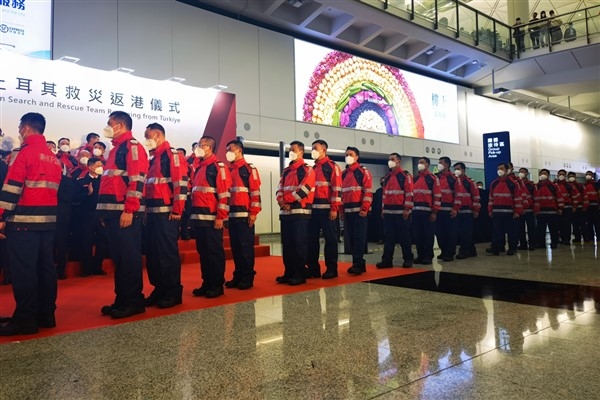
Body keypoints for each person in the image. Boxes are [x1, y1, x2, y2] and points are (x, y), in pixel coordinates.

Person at [0, 112, 62, 336]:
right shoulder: (52, 157)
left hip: (23, 221)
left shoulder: (24, 153)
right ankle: (46, 315)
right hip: (46, 223)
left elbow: (12, 188)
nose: (18, 132)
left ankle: (25, 319)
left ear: (26, 128)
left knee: (24, 271)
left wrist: (1, 216)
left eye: (19, 128)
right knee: (45, 269)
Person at [97, 111, 149, 319]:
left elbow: (136, 181)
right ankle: (122, 299)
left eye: (110, 123)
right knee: (120, 259)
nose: (108, 126)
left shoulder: (132, 147)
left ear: (119, 125)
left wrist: (129, 210)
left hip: (125, 213)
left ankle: (134, 301)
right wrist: (103, 212)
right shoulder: (116, 149)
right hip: (112, 213)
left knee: (129, 258)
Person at [143, 123, 188, 308]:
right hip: (152, 213)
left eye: (148, 135)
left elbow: (180, 183)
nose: (146, 139)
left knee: (167, 254)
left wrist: (178, 209)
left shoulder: (173, 155)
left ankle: (173, 291)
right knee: (153, 254)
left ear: (158, 135)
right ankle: (159, 289)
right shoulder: (154, 158)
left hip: (167, 213)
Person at [190, 136, 231, 299]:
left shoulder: (218, 167)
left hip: (213, 218)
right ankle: (206, 283)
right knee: (203, 252)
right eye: (199, 144)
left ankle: (216, 285)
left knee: (214, 252)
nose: (199, 147)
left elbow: (224, 194)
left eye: (203, 145)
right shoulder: (199, 167)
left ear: (210, 148)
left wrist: (221, 217)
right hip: (199, 218)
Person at [275, 141, 315, 286]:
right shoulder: (286, 171)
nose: (290, 152)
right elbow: (279, 188)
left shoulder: (308, 170)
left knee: (299, 244)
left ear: (301, 152)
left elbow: (304, 190)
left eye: (293, 150)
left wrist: (286, 200)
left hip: (300, 212)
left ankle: (300, 273)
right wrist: (281, 201)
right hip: (286, 213)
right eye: (290, 149)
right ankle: (289, 272)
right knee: (287, 245)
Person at [224, 139, 262, 290]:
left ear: (239, 150)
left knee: (245, 248)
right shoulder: (228, 169)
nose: (228, 152)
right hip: (232, 215)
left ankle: (247, 277)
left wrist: (253, 213)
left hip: (245, 215)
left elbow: (255, 193)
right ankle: (238, 275)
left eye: (230, 149)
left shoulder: (249, 169)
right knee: (236, 248)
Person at [306, 139, 342, 279]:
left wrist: (334, 209)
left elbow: (337, 189)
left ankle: (332, 269)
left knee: (330, 240)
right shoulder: (313, 168)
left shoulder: (332, 167)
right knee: (311, 240)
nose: (313, 150)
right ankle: (313, 269)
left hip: (327, 210)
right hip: (313, 210)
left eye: (315, 147)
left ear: (324, 150)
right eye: (312, 148)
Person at [376, 153, 414, 268]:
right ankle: (387, 261)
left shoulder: (405, 175)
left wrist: (407, 209)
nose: (390, 161)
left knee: (404, 238)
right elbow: (384, 195)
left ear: (398, 161)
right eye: (389, 159)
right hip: (388, 213)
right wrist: (383, 209)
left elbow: (409, 193)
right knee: (388, 238)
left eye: (392, 159)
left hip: (401, 213)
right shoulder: (387, 177)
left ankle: (408, 259)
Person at [341, 146, 372, 275]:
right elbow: (341, 194)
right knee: (352, 239)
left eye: (351, 154)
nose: (348, 156)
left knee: (359, 239)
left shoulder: (363, 172)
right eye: (346, 154)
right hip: (348, 212)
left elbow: (368, 192)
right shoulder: (343, 174)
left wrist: (364, 209)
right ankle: (357, 264)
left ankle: (358, 263)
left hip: (359, 211)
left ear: (356, 157)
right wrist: (341, 211)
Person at [74, 157, 108, 277]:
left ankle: (97, 266)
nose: (101, 167)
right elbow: (76, 199)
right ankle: (86, 269)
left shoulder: (105, 181)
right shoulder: (81, 181)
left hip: (101, 216)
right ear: (90, 167)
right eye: (98, 165)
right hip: (86, 216)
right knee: (85, 242)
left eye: (101, 165)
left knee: (102, 241)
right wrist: (88, 193)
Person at [486, 163, 523, 255]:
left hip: (510, 212)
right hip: (496, 212)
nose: (500, 170)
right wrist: (490, 210)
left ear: (507, 171)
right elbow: (491, 198)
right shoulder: (494, 183)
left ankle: (512, 248)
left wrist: (517, 212)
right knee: (497, 231)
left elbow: (518, 198)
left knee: (511, 232)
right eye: (498, 168)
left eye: (502, 168)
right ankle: (496, 248)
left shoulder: (513, 184)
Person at [412, 157, 441, 265]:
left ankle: (428, 256)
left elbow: (437, 196)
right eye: (419, 162)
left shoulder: (433, 178)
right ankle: (420, 255)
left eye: (422, 162)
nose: (419, 164)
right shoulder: (415, 178)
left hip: (428, 212)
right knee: (418, 235)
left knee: (428, 235)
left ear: (427, 164)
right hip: (415, 211)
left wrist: (434, 212)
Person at [435, 156, 463, 262]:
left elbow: (458, 195)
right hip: (438, 210)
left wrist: (455, 209)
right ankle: (443, 251)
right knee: (439, 233)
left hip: (449, 210)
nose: (439, 164)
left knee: (450, 233)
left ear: (446, 164)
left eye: (441, 162)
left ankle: (450, 253)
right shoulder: (436, 177)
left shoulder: (454, 178)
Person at [453, 162, 480, 259]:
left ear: (463, 170)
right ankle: (472, 250)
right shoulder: (454, 181)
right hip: (457, 210)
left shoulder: (470, 182)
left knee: (466, 232)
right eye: (455, 168)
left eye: (458, 168)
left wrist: (476, 210)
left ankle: (463, 251)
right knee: (461, 232)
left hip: (467, 211)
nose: (456, 170)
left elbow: (476, 197)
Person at [534, 169, 563, 248]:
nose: (542, 175)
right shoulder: (536, 186)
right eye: (541, 173)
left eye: (544, 173)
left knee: (553, 229)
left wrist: (560, 208)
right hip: (540, 212)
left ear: (548, 175)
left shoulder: (553, 186)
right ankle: (541, 243)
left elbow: (559, 197)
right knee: (540, 230)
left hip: (552, 212)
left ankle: (554, 243)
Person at [516, 168, 536, 251]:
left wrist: (535, 209)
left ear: (527, 173)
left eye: (523, 172)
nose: (521, 173)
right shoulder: (517, 184)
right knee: (520, 228)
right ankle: (522, 244)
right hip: (520, 210)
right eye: (520, 172)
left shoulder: (531, 185)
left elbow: (535, 197)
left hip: (530, 210)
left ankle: (532, 244)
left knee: (531, 228)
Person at [555, 169, 576, 245]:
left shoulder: (569, 185)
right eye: (560, 174)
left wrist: (574, 206)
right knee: (558, 224)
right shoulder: (554, 185)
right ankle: (560, 238)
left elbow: (574, 196)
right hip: (558, 208)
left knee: (567, 224)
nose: (561, 175)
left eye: (563, 174)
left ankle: (566, 239)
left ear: (565, 175)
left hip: (567, 207)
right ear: (557, 175)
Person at [568, 171, 588, 244]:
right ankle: (577, 237)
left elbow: (585, 196)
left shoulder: (580, 185)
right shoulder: (567, 186)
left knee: (583, 223)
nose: (571, 178)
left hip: (581, 207)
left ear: (575, 177)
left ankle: (586, 237)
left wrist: (585, 206)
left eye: (572, 176)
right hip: (572, 209)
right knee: (575, 224)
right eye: (569, 176)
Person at [583, 171, 599, 242]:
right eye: (586, 175)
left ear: (592, 175)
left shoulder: (596, 185)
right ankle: (590, 237)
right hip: (587, 207)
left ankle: (599, 236)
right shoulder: (584, 185)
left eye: (589, 174)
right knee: (589, 223)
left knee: (597, 223)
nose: (588, 176)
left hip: (596, 207)